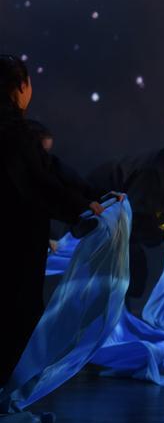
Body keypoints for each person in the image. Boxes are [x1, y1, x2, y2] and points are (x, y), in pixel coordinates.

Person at [0, 55, 106, 387]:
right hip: (16, 238)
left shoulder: (16, 133)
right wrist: (83, 206)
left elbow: (51, 170)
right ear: (21, 87)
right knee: (18, 310)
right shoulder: (14, 133)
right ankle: (6, 395)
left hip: (16, 236)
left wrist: (92, 198)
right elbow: (41, 180)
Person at [87, 124, 164, 302]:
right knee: (130, 275)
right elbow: (137, 217)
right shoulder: (153, 171)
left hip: (121, 227)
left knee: (134, 276)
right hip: (98, 220)